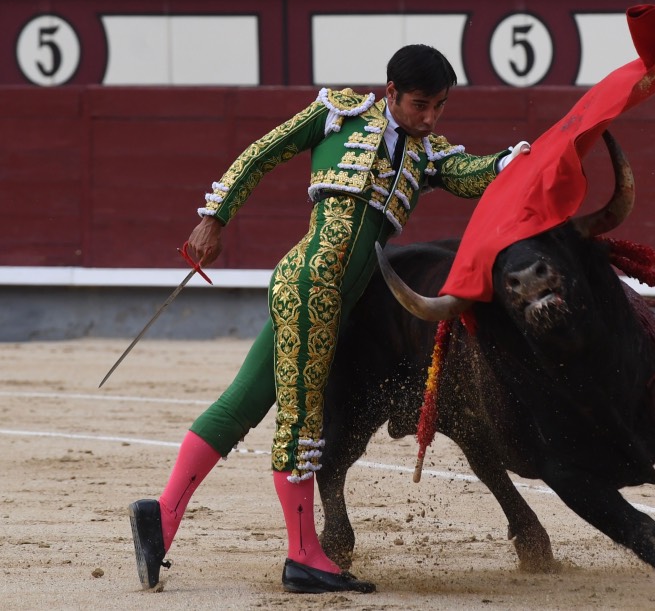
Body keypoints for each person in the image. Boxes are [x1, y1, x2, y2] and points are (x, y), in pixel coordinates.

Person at [127, 44, 530, 595]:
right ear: (391, 92)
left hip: (333, 301)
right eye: (420, 105)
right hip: (312, 285)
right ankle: (303, 557)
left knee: (243, 403)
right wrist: (213, 217)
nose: (429, 118)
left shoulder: (425, 153)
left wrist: (509, 161)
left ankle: (161, 515)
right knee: (301, 421)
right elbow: (262, 152)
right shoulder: (340, 113)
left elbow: (468, 171)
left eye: (439, 106)